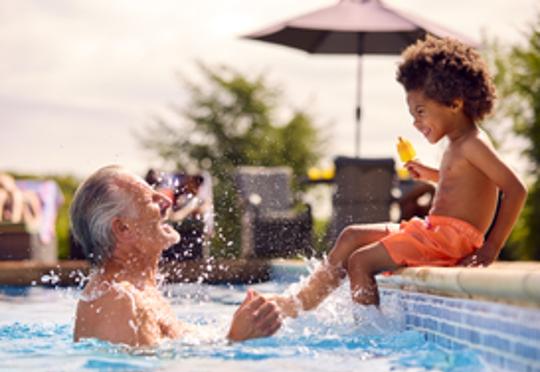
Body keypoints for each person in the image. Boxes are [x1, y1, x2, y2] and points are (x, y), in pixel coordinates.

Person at [270, 35, 528, 318]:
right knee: (351, 236)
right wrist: (431, 174)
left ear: (454, 103)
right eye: (412, 114)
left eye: (420, 112)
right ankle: (300, 303)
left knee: (361, 262)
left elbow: (515, 189)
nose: (416, 122)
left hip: (449, 239)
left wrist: (491, 248)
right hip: (435, 231)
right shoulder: (460, 141)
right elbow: (467, 184)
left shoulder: (472, 143)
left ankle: (368, 332)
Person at [71, 165, 281, 347]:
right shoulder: (122, 303)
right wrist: (235, 340)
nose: (167, 201)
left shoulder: (136, 292)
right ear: (123, 228)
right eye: (151, 199)